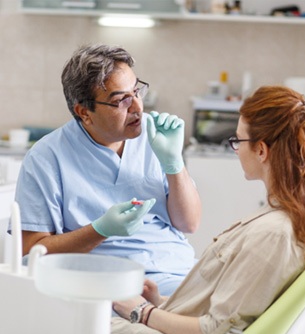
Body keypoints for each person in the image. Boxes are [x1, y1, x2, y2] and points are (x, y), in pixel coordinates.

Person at [81, 85, 305, 334]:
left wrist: (143, 312)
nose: (235, 149)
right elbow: (235, 307)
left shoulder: (275, 234)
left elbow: (214, 333)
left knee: (82, 328)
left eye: (238, 141)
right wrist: (162, 302)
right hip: (184, 326)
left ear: (261, 150)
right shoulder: (285, 221)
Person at [15, 43, 202, 295]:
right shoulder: (46, 158)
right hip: (108, 283)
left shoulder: (155, 135)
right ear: (84, 112)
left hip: (177, 271)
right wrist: (100, 230)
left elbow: (189, 223)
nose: (137, 107)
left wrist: (174, 164)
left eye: (137, 92)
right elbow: (32, 252)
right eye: (121, 100)